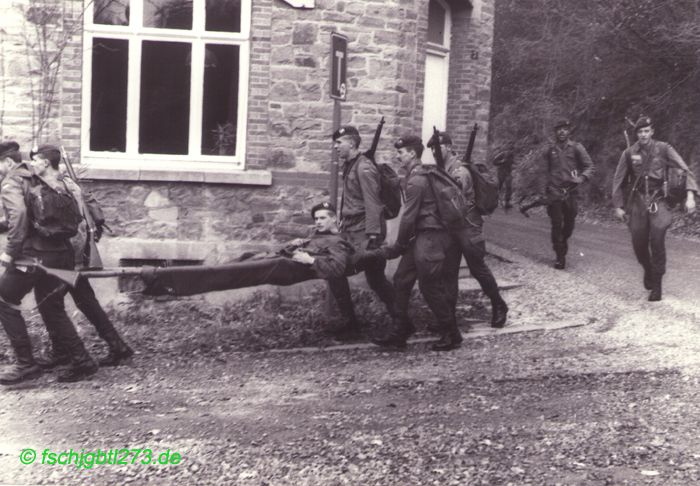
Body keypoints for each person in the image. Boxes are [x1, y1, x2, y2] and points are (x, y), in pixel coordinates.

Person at [27, 145, 134, 369]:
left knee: (50, 301)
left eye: (36, 160)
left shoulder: (59, 186)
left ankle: (68, 354)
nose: (32, 164)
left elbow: (68, 224)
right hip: (75, 249)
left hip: (69, 250)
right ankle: (117, 347)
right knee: (84, 299)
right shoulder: (66, 183)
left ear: (46, 163)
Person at [0, 142, 98, 384]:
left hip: (34, 255)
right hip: (61, 252)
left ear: (9, 162)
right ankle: (82, 361)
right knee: (52, 307)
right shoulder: (43, 175)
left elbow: (20, 215)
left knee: (3, 300)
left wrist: (10, 252)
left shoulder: (12, 181)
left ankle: (26, 364)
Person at [140, 202, 354, 297]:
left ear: (334, 218)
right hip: (280, 259)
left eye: (323, 218)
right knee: (243, 259)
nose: (318, 222)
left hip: (287, 268)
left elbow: (337, 269)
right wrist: (294, 245)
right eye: (316, 219)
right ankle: (162, 280)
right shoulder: (316, 235)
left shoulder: (338, 241)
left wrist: (309, 260)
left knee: (234, 274)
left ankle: (166, 281)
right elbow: (297, 249)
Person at [374, 134, 463, 351]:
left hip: (431, 237)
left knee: (429, 285)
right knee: (402, 279)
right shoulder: (417, 174)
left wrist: (398, 246)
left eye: (400, 153)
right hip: (422, 236)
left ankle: (451, 333)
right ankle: (400, 331)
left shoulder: (417, 179)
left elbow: (409, 217)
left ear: (412, 153)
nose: (398, 157)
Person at [611, 116, 697, 301]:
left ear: (652, 131)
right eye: (640, 132)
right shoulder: (628, 153)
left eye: (646, 131)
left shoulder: (664, 148)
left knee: (657, 240)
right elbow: (617, 181)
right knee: (639, 244)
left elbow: (685, 169)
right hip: (637, 202)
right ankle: (648, 269)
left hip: (659, 201)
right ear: (637, 134)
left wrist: (690, 195)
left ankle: (657, 286)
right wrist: (618, 206)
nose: (643, 134)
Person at [325, 126, 396, 340]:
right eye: (335, 143)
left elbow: (373, 203)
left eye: (339, 142)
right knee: (376, 280)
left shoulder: (364, 168)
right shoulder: (351, 165)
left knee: (335, 269)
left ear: (352, 144)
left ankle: (352, 322)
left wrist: (374, 237)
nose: (336, 146)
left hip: (365, 235)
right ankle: (403, 319)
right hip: (352, 231)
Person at [434, 131, 509, 328]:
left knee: (478, 269)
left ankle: (499, 305)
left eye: (438, 147)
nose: (434, 151)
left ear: (449, 147)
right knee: (449, 272)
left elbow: (455, 200)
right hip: (452, 227)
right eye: (432, 148)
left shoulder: (460, 171)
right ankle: (448, 319)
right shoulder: (442, 168)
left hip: (468, 226)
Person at [541, 119, 595, 269]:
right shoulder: (549, 150)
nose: (562, 132)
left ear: (569, 131)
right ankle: (560, 256)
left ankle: (562, 242)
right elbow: (543, 171)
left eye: (564, 129)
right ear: (555, 131)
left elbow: (589, 166)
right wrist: (544, 190)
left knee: (569, 224)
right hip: (554, 192)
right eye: (559, 129)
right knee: (556, 224)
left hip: (571, 192)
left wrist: (582, 177)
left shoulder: (577, 148)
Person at [492, 143, 514, 209]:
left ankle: (507, 202)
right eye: (510, 150)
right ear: (507, 149)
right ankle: (494, 201)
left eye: (512, 150)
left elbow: (511, 163)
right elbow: (494, 162)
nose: (511, 151)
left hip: (508, 173)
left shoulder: (512, 155)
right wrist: (501, 161)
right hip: (501, 173)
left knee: (509, 187)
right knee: (499, 187)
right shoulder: (502, 154)